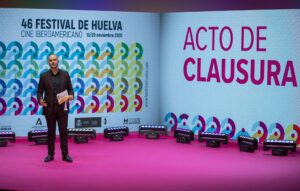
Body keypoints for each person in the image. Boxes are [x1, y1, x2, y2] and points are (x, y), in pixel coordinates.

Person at [37, 54, 74, 163]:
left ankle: (65, 154)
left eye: (54, 60)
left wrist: (71, 96)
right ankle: (50, 154)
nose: (53, 62)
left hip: (63, 108)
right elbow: (39, 91)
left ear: (58, 61)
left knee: (63, 132)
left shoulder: (65, 75)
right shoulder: (43, 76)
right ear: (48, 62)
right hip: (49, 108)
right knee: (51, 132)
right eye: (50, 60)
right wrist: (40, 99)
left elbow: (70, 89)